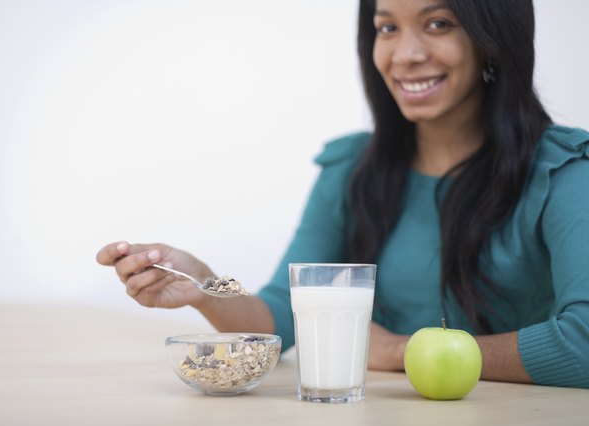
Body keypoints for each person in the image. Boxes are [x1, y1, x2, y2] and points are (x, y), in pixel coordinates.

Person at [96, 0, 589, 389]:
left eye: (438, 23)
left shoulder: (563, 171)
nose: (405, 54)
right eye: (387, 27)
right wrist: (202, 286)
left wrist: (401, 351)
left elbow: (583, 343)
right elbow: (285, 317)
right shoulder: (351, 167)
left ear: (493, 38)